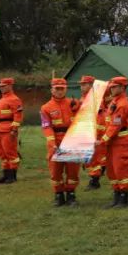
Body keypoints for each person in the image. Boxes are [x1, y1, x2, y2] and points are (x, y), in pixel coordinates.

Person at [40, 77, 79, 206]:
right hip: (55, 141)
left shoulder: (74, 103)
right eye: (57, 89)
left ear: (66, 89)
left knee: (72, 169)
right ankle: (59, 195)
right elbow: (46, 126)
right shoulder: (46, 107)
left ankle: (71, 195)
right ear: (52, 89)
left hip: (71, 140)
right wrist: (52, 143)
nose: (60, 91)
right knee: (55, 170)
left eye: (62, 89)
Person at [96, 76, 128, 208]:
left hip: (120, 141)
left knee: (120, 169)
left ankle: (123, 198)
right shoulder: (114, 101)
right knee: (111, 170)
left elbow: (115, 126)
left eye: (115, 86)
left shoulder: (122, 104)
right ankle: (116, 195)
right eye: (111, 86)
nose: (112, 88)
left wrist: (103, 139)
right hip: (112, 142)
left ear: (122, 88)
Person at [0, 77, 24, 184]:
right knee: (1, 153)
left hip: (8, 130)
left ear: (10, 86)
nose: (1, 88)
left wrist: (14, 129)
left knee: (10, 153)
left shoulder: (15, 99)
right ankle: (5, 175)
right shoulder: (1, 100)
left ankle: (12, 175)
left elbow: (18, 115)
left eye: (3, 86)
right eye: (0, 87)